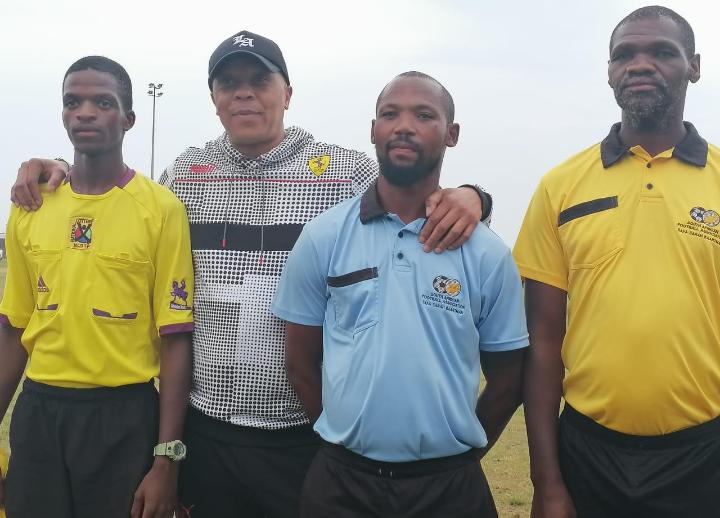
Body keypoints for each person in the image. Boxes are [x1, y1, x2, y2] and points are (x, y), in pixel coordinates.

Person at [11, 32, 492, 518]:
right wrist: (56, 169)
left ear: (287, 94)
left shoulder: (343, 174)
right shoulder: (186, 175)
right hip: (205, 429)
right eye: (228, 83)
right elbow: (116, 203)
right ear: (214, 100)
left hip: (301, 433)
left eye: (259, 80)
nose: (244, 93)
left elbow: (414, 195)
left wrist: (475, 196)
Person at [272, 71, 528, 517]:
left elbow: (508, 378)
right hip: (341, 486)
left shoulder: (487, 253)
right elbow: (299, 363)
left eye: (423, 115)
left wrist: (459, 458)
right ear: (374, 130)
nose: (403, 125)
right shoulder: (324, 236)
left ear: (451, 134)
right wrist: (344, 438)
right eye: (390, 114)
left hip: (450, 489)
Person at [514, 6, 720, 518]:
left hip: (704, 454)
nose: (640, 64)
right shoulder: (560, 187)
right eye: (624, 54)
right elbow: (542, 343)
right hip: (588, 451)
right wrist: (547, 484)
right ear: (609, 72)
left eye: (662, 52)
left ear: (693, 66)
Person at [0, 56, 194, 518]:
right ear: (63, 114)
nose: (85, 112)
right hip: (41, 411)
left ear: (128, 119)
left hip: (122, 416)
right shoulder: (31, 206)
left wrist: (167, 457)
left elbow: (176, 337)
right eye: (73, 102)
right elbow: (13, 328)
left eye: (102, 102)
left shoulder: (160, 209)